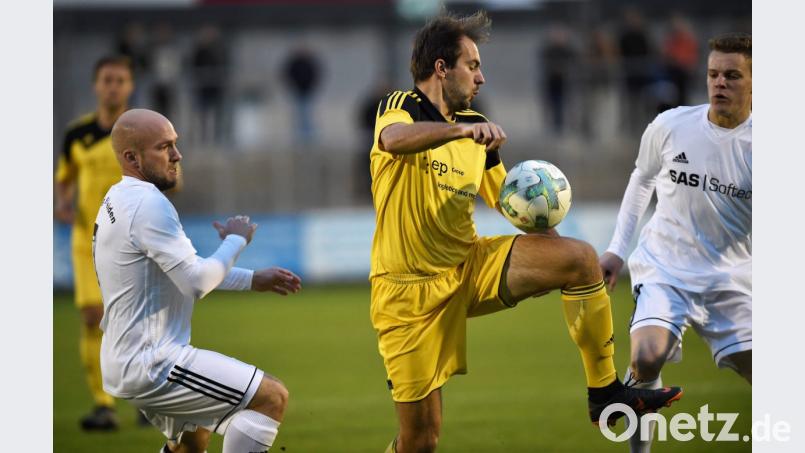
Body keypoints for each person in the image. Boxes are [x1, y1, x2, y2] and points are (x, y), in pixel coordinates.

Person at [368, 12, 682, 453]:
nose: (481, 76)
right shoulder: (400, 108)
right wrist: (460, 130)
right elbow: (393, 140)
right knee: (421, 441)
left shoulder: (476, 126)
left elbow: (512, 206)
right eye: (472, 64)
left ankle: (606, 394)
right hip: (406, 294)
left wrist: (569, 263)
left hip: (470, 266)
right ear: (442, 68)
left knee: (580, 257)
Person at [93, 109, 302, 452]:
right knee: (271, 397)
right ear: (132, 157)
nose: (177, 155)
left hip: (125, 359)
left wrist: (252, 280)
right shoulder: (148, 205)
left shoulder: (118, 197)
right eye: (164, 147)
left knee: (193, 441)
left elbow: (182, 272)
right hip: (154, 363)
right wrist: (236, 240)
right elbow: (197, 282)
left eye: (176, 144)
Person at [599, 32, 751, 453]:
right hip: (665, 269)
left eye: (733, 76)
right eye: (713, 74)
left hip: (732, 278)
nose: (720, 83)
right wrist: (616, 249)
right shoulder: (670, 125)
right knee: (646, 358)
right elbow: (641, 179)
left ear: (755, 82)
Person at [54, 55, 135, 431]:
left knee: (136, 324)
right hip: (87, 242)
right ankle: (104, 405)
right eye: (107, 79)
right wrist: (62, 200)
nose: (113, 86)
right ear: (96, 85)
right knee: (93, 317)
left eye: (120, 80)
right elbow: (64, 177)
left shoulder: (142, 131)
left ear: (130, 86)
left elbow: (172, 174)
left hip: (133, 244)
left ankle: (145, 400)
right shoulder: (76, 134)